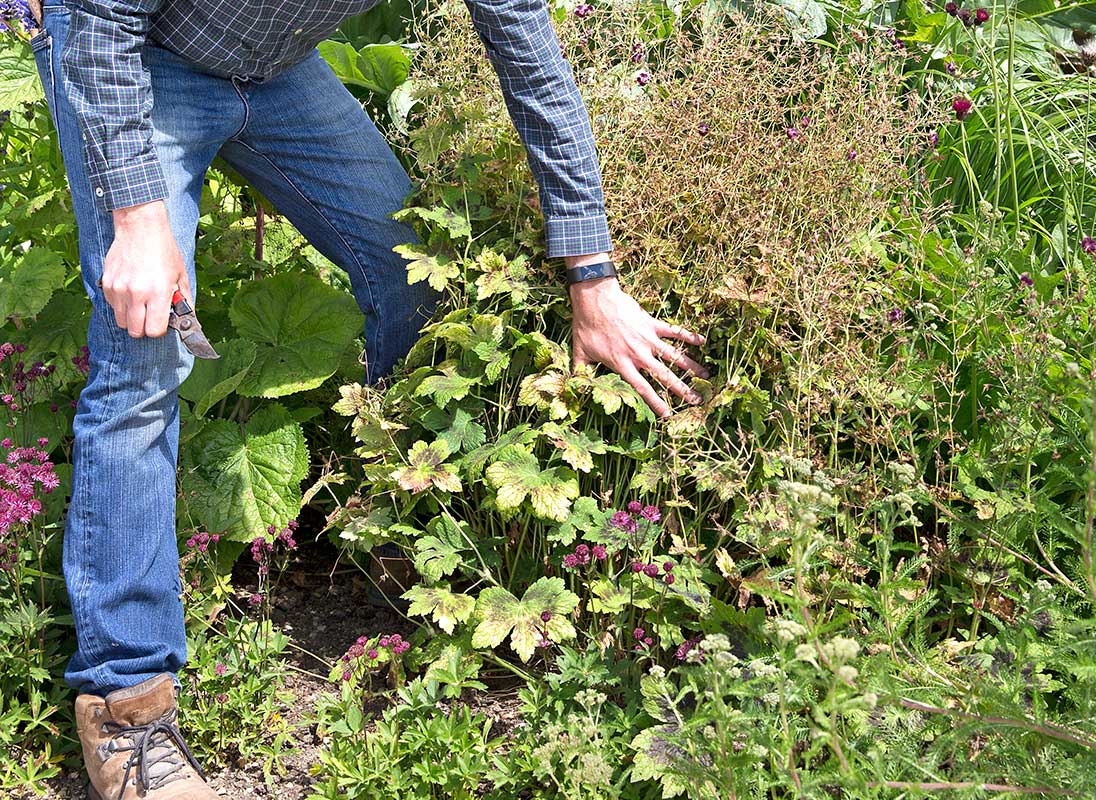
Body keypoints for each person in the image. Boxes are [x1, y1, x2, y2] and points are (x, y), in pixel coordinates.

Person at [26, 0, 708, 796]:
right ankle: (127, 709)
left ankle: (400, 538)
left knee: (410, 272)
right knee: (146, 352)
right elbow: (104, 17)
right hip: (138, 56)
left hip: (275, 72)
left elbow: (530, 56)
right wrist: (139, 222)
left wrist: (593, 276)